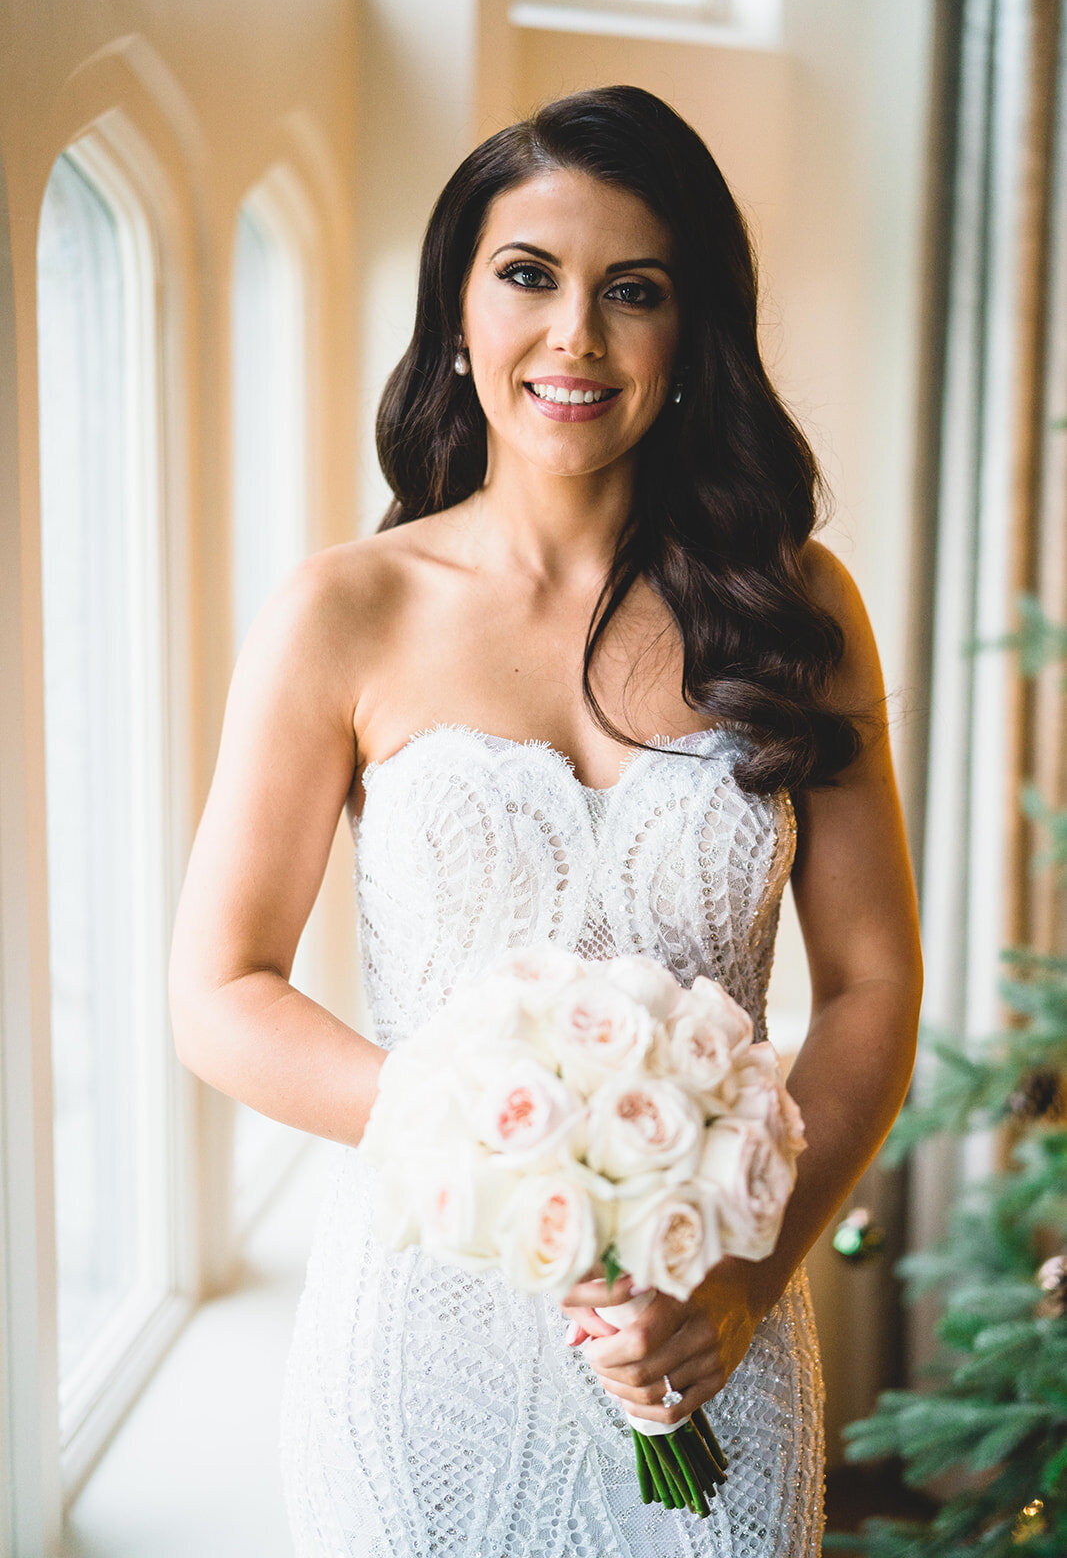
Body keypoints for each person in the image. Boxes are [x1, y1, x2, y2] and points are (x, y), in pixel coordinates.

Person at [169, 84, 922, 1556]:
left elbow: (872, 988)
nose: (574, 335)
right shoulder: (346, 612)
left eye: (631, 292)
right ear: (460, 306)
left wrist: (738, 1288)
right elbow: (220, 993)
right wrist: (495, 1143)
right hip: (420, 1334)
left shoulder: (800, 608)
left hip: (707, 1333)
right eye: (530, 276)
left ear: (689, 335)